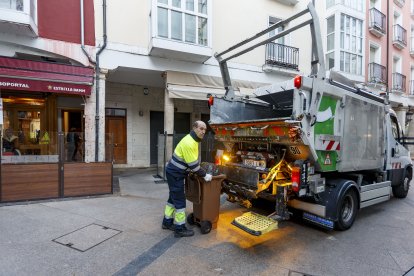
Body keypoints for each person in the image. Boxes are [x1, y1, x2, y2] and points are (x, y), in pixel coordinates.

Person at [162, 121, 213, 238]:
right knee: (179, 201)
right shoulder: (189, 142)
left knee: (172, 198)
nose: (203, 131)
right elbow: (194, 165)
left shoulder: (193, 140)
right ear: (194, 128)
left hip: (174, 172)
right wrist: (205, 175)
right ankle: (180, 229)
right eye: (201, 128)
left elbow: (190, 162)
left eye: (205, 130)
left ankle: (167, 222)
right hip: (175, 174)